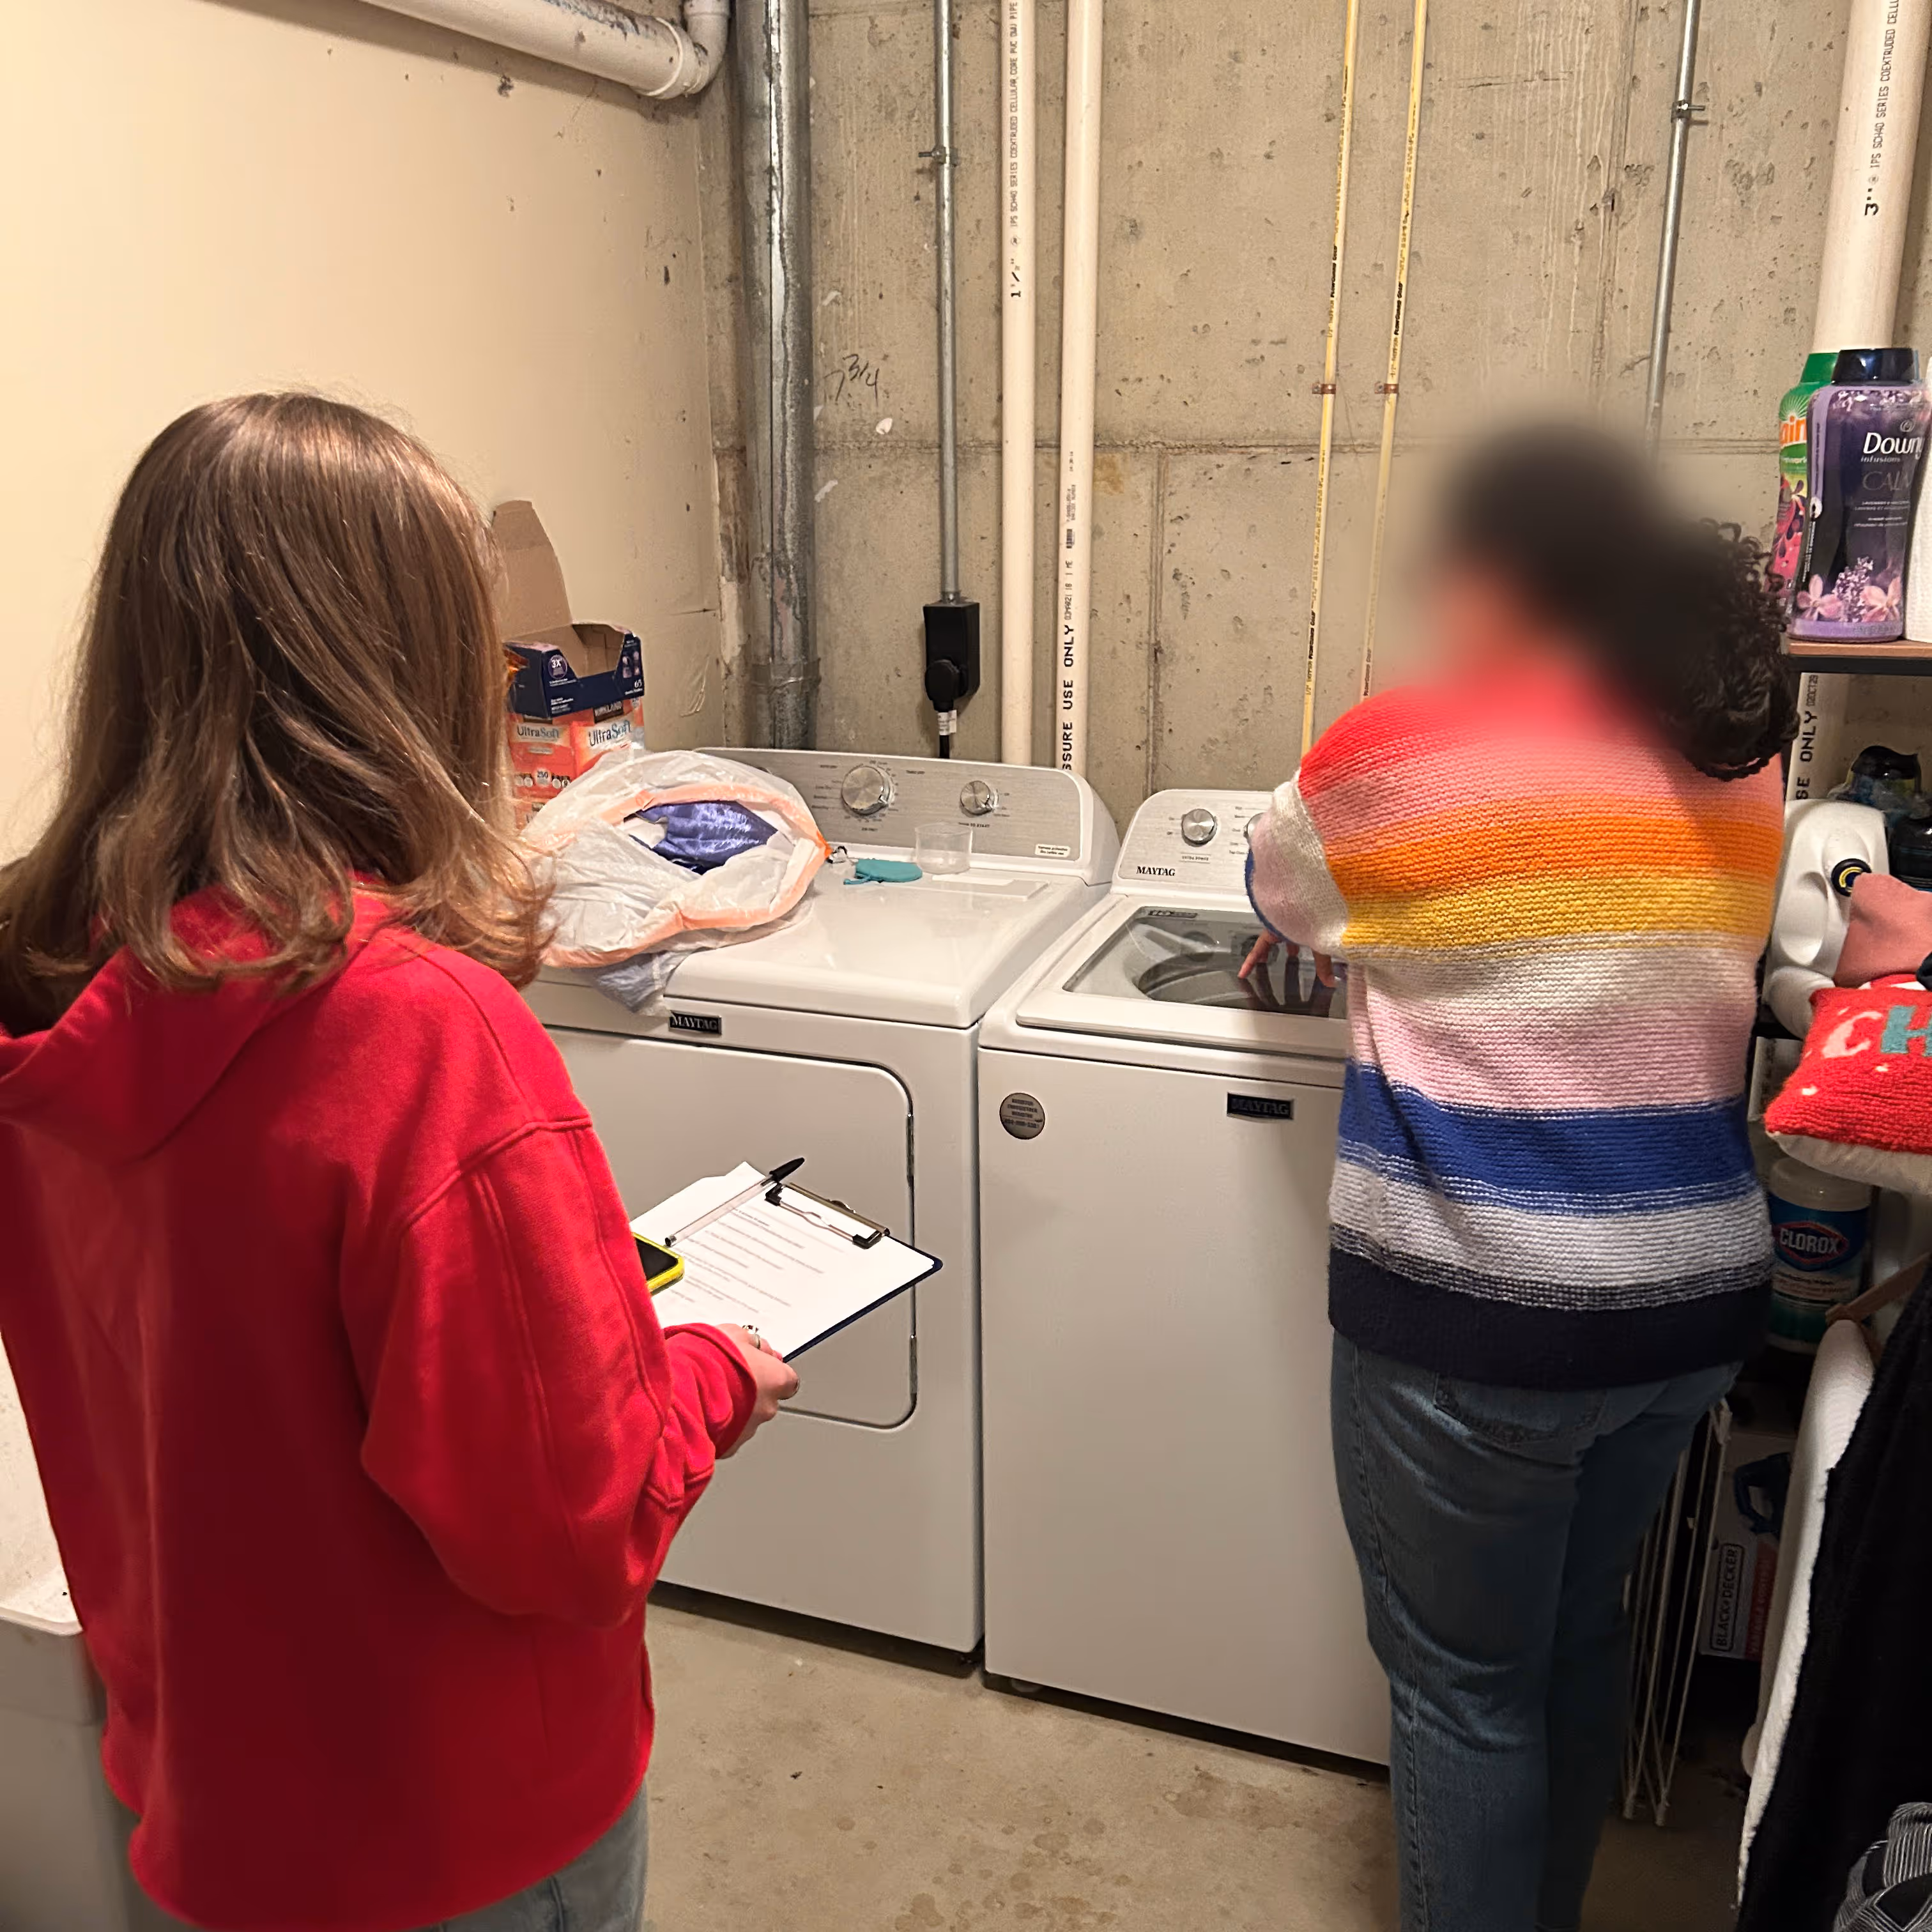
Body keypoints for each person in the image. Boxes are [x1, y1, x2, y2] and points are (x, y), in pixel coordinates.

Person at [0, 394, 799, 1932]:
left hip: (207, 1791)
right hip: (456, 1831)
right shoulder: (416, 1033)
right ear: (413, 665)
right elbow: (561, 1532)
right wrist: (703, 1375)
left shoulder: (56, 980)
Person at [1245, 425, 1794, 1932]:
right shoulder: (1737, 751)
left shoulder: (1404, 745)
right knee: (1571, 1641)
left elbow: (1278, 888)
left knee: (1464, 1692)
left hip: (1481, 1325)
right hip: (1687, 1314)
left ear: (1503, 577)